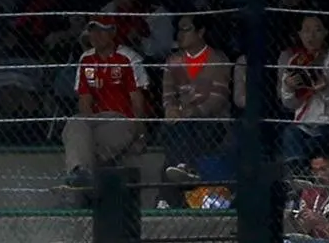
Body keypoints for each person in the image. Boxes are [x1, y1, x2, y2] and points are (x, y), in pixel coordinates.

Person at [60, 18, 150, 198]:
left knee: (83, 147)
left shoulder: (128, 57)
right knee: (74, 122)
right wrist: (89, 125)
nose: (96, 36)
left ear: (113, 33)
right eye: (93, 31)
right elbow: (84, 100)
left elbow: (137, 99)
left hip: (122, 120)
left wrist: (140, 133)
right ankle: (81, 174)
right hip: (96, 120)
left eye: (102, 31)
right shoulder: (86, 59)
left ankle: (82, 177)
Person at [162, 15, 234, 187]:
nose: (180, 34)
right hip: (181, 119)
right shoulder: (173, 61)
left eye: (186, 29)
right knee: (172, 127)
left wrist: (193, 112)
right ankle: (182, 170)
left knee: (190, 127)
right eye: (179, 29)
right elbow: (168, 94)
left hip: (212, 121)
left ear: (200, 32)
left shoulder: (218, 59)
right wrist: (170, 109)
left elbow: (218, 98)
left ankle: (182, 171)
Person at [278, 14, 329, 171]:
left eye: (317, 30)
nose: (311, 36)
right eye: (306, 31)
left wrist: (325, 87)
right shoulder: (295, 61)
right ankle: (297, 179)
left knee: (320, 138)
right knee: (290, 133)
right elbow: (289, 103)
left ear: (325, 33)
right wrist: (288, 87)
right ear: (300, 34)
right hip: (305, 123)